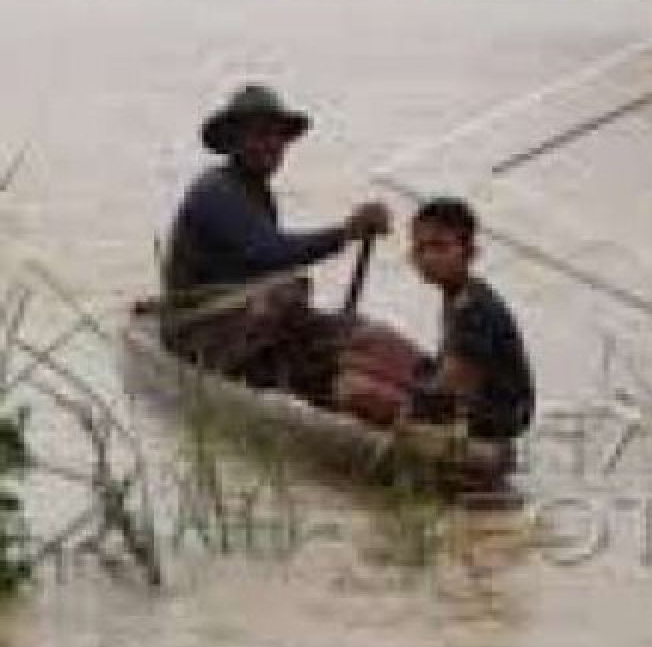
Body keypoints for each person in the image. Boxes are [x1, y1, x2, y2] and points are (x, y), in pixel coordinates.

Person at [161, 83, 390, 404]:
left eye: (277, 135)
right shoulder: (214, 191)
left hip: (240, 323)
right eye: (258, 135)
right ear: (232, 142)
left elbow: (262, 264)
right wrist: (346, 233)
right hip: (197, 334)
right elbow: (268, 251)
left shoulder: (258, 193)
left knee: (353, 329)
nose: (271, 144)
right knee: (287, 299)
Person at [337, 197, 535, 446]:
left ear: (470, 253)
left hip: (489, 414)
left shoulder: (473, 309)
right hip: (460, 392)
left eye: (439, 247)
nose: (428, 258)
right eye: (420, 249)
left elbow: (452, 392)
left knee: (351, 388)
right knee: (371, 338)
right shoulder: (459, 292)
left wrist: (383, 389)